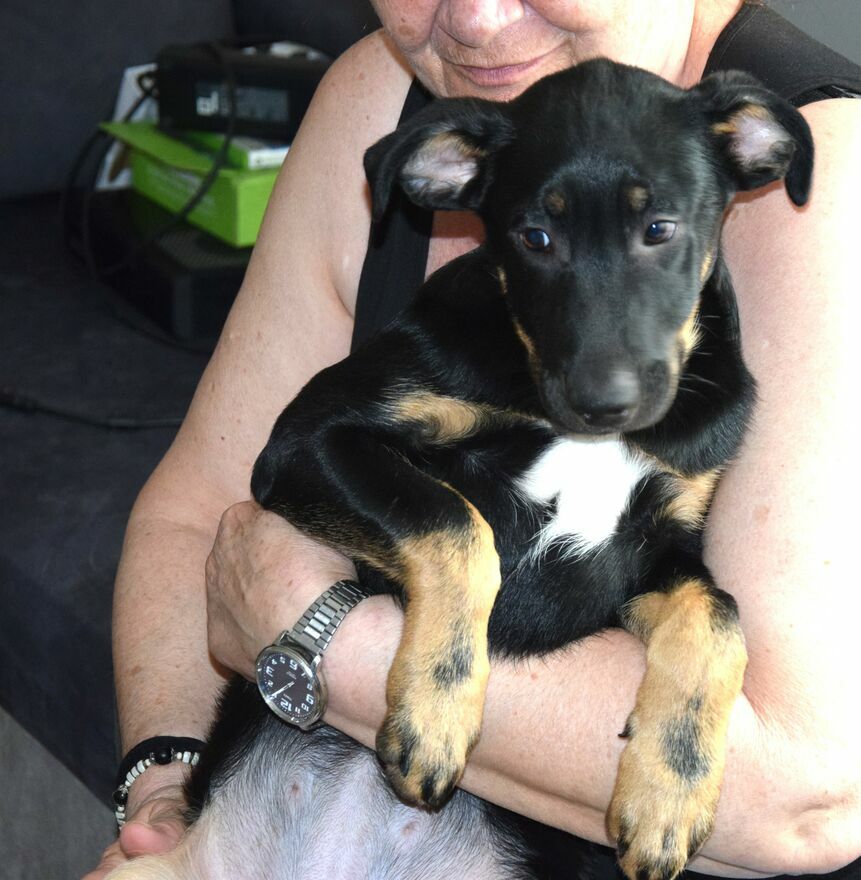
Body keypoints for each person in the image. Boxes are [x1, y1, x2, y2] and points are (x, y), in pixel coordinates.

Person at [85, 1, 861, 877]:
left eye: (656, 234)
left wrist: (321, 634)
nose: (476, 19)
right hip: (241, 820)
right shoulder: (384, 98)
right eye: (537, 237)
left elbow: (804, 796)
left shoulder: (830, 181)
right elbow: (199, 507)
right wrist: (163, 787)